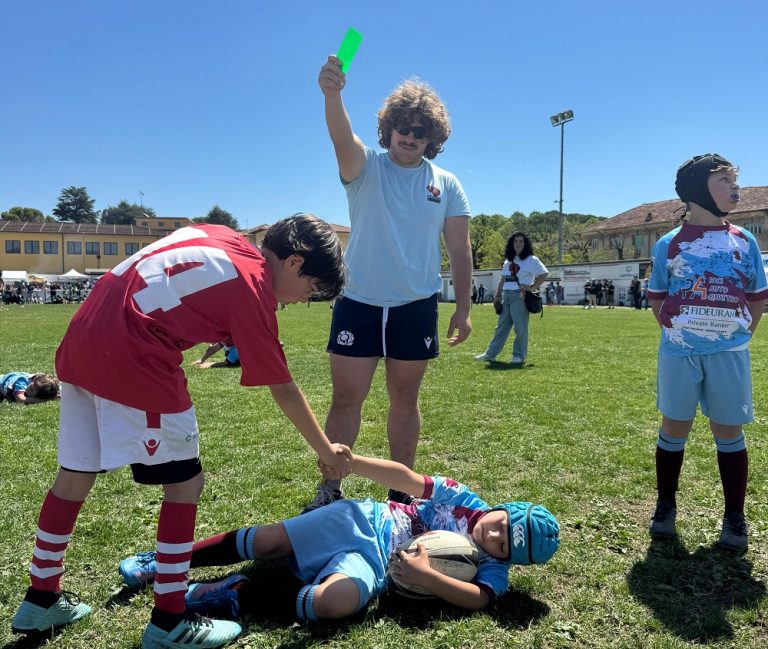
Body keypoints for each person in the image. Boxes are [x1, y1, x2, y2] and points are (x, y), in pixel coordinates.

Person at [11, 215, 353, 649]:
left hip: (82, 339)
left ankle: (41, 597)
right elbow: (283, 389)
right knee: (185, 483)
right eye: (312, 289)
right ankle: (170, 619)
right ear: (294, 262)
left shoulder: (223, 235)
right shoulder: (254, 286)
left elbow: (177, 276)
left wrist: (209, 322)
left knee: (75, 475)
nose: (305, 300)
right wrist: (326, 450)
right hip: (135, 354)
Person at [306, 55, 473, 510]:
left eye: (422, 130)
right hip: (358, 302)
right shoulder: (365, 168)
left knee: (404, 400)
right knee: (346, 400)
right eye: (404, 125)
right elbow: (341, 135)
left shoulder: (447, 183)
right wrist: (332, 94)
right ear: (390, 127)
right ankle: (330, 489)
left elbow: (460, 249)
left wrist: (462, 306)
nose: (411, 135)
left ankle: (401, 493)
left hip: (415, 306)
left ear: (433, 138)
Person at [118, 453, 560, 622]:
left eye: (503, 544)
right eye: (504, 525)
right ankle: (165, 562)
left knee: (335, 603)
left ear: (510, 560)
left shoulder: (492, 567)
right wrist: (355, 464)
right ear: (507, 508)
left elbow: (480, 599)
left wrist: (427, 576)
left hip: (376, 566)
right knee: (271, 542)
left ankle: (237, 592)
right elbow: (406, 477)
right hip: (360, 519)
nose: (494, 535)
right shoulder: (465, 499)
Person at [646, 154, 768, 553]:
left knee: (729, 430)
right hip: (680, 353)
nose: (736, 187)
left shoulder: (744, 241)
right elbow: (658, 295)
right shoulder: (669, 243)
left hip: (729, 353)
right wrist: (678, 332)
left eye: (736, 179)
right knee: (674, 426)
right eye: (724, 179)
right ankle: (665, 507)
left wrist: (740, 335)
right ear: (697, 187)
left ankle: (735, 518)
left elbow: (756, 296)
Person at [474, 233, 548, 365]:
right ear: (511, 244)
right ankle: (490, 354)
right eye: (515, 241)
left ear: (525, 244)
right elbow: (502, 280)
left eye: (521, 241)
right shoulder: (508, 260)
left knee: (520, 328)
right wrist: (497, 296)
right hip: (506, 296)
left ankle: (518, 355)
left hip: (520, 296)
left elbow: (544, 273)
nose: (518, 244)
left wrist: (532, 287)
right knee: (501, 327)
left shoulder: (531, 259)